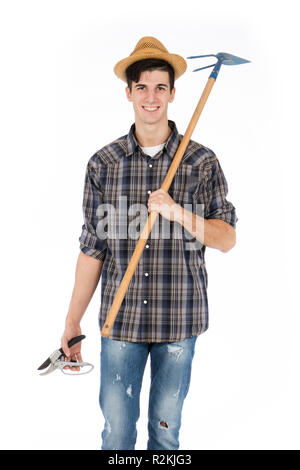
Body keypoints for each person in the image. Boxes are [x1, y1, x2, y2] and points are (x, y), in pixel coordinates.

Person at [61, 36, 237, 450]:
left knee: (165, 436)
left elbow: (227, 238)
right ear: (129, 92)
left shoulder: (201, 162)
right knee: (117, 437)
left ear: (173, 93)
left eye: (161, 87)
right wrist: (72, 322)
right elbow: (92, 250)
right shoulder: (103, 164)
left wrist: (179, 212)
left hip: (180, 322)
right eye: (142, 87)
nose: (151, 97)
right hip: (119, 324)